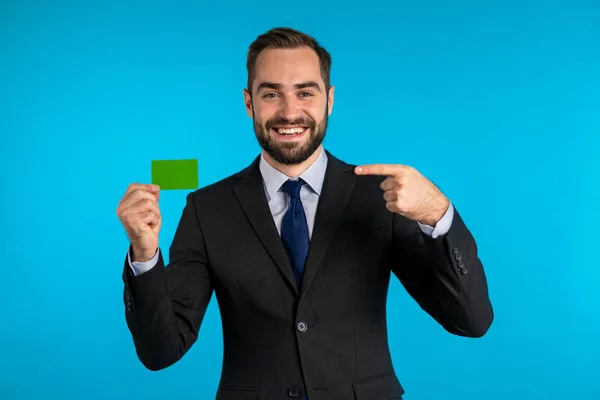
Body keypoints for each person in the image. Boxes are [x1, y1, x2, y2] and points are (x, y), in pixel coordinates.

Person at [116, 27, 493, 400]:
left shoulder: (381, 197)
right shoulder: (207, 208)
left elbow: (471, 321)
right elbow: (161, 352)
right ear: (249, 103)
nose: (289, 111)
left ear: (329, 100)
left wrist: (437, 214)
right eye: (271, 94)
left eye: (305, 92)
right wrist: (145, 256)